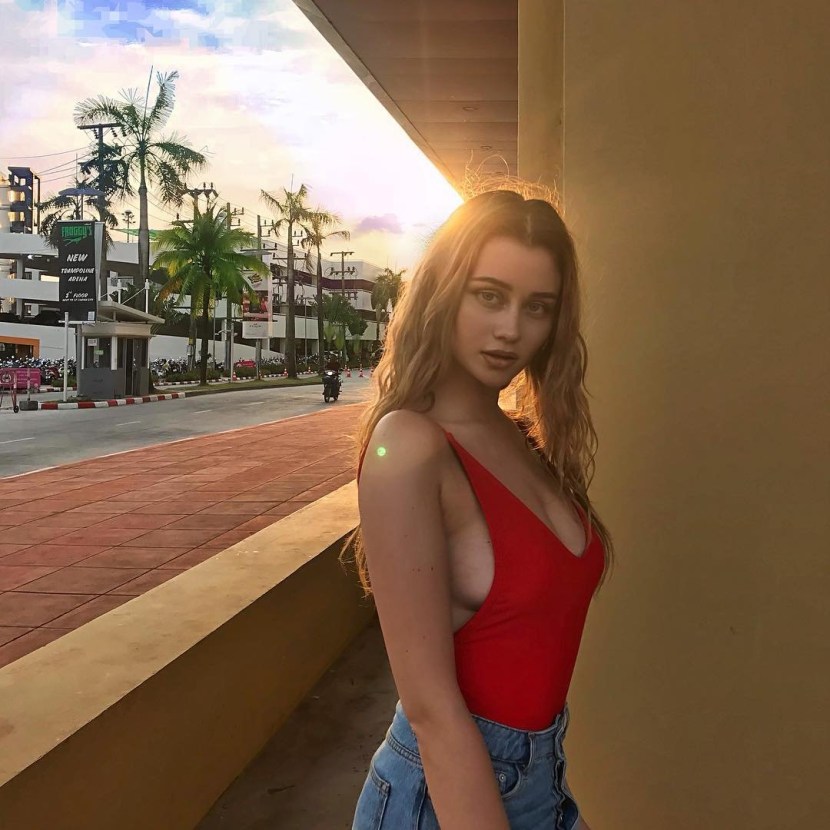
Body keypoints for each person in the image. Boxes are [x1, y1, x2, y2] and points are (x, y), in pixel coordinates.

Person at [348, 187, 614, 829]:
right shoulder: (408, 445)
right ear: (443, 293)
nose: (511, 329)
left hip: (541, 775)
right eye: (489, 296)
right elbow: (432, 709)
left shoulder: (521, 437)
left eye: (537, 307)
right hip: (443, 796)